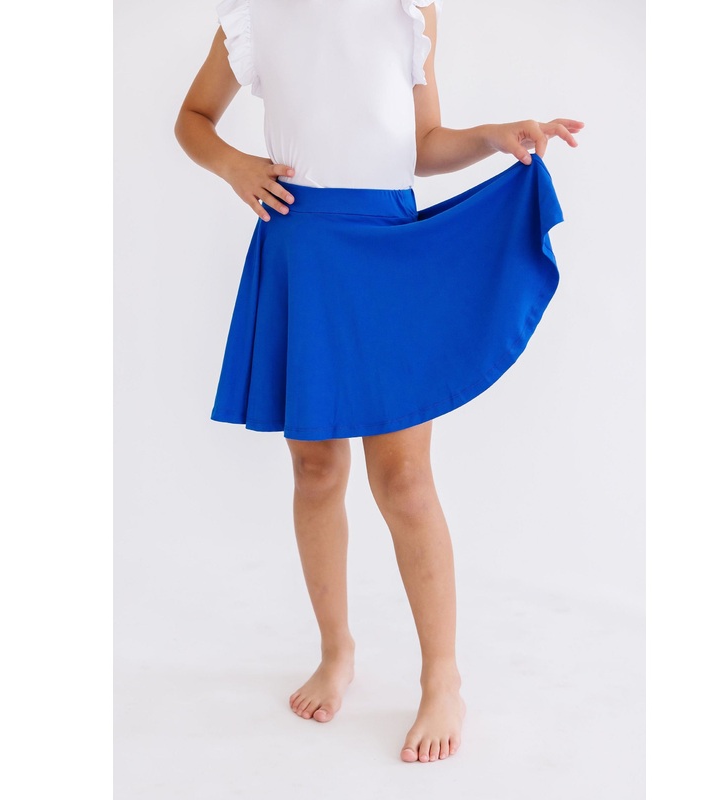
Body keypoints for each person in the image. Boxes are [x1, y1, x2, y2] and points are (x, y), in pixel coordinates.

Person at [174, 0, 583, 764]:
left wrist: (493, 136)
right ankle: (337, 652)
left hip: (386, 249)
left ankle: (442, 677)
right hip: (302, 245)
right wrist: (235, 166)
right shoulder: (256, 14)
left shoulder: (411, 9)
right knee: (315, 467)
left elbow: (423, 146)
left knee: (403, 478)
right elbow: (192, 118)